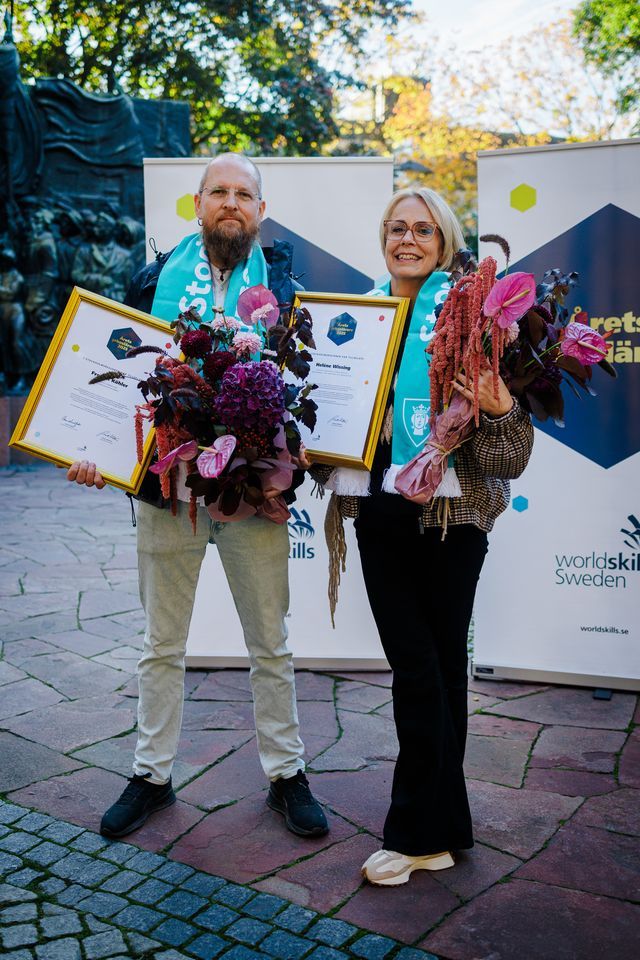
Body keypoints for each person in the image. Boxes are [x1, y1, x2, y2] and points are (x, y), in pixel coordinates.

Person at [67, 153, 328, 841]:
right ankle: (151, 775)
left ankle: (286, 774)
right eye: (220, 191)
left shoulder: (290, 288)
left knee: (270, 642)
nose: (232, 203)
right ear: (198, 203)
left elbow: (312, 388)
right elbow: (115, 375)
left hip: (253, 493)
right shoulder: (152, 278)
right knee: (161, 644)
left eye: (245, 193)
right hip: (166, 491)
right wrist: (95, 454)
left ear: (261, 212)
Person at [310, 187, 534, 885]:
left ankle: (414, 835)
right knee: (427, 669)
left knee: (426, 669)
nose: (408, 239)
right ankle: (446, 827)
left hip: (449, 520)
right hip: (379, 515)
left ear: (444, 243)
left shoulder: (473, 318)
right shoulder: (358, 317)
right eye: (397, 228)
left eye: (423, 230)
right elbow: (338, 424)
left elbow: (510, 456)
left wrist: (502, 411)